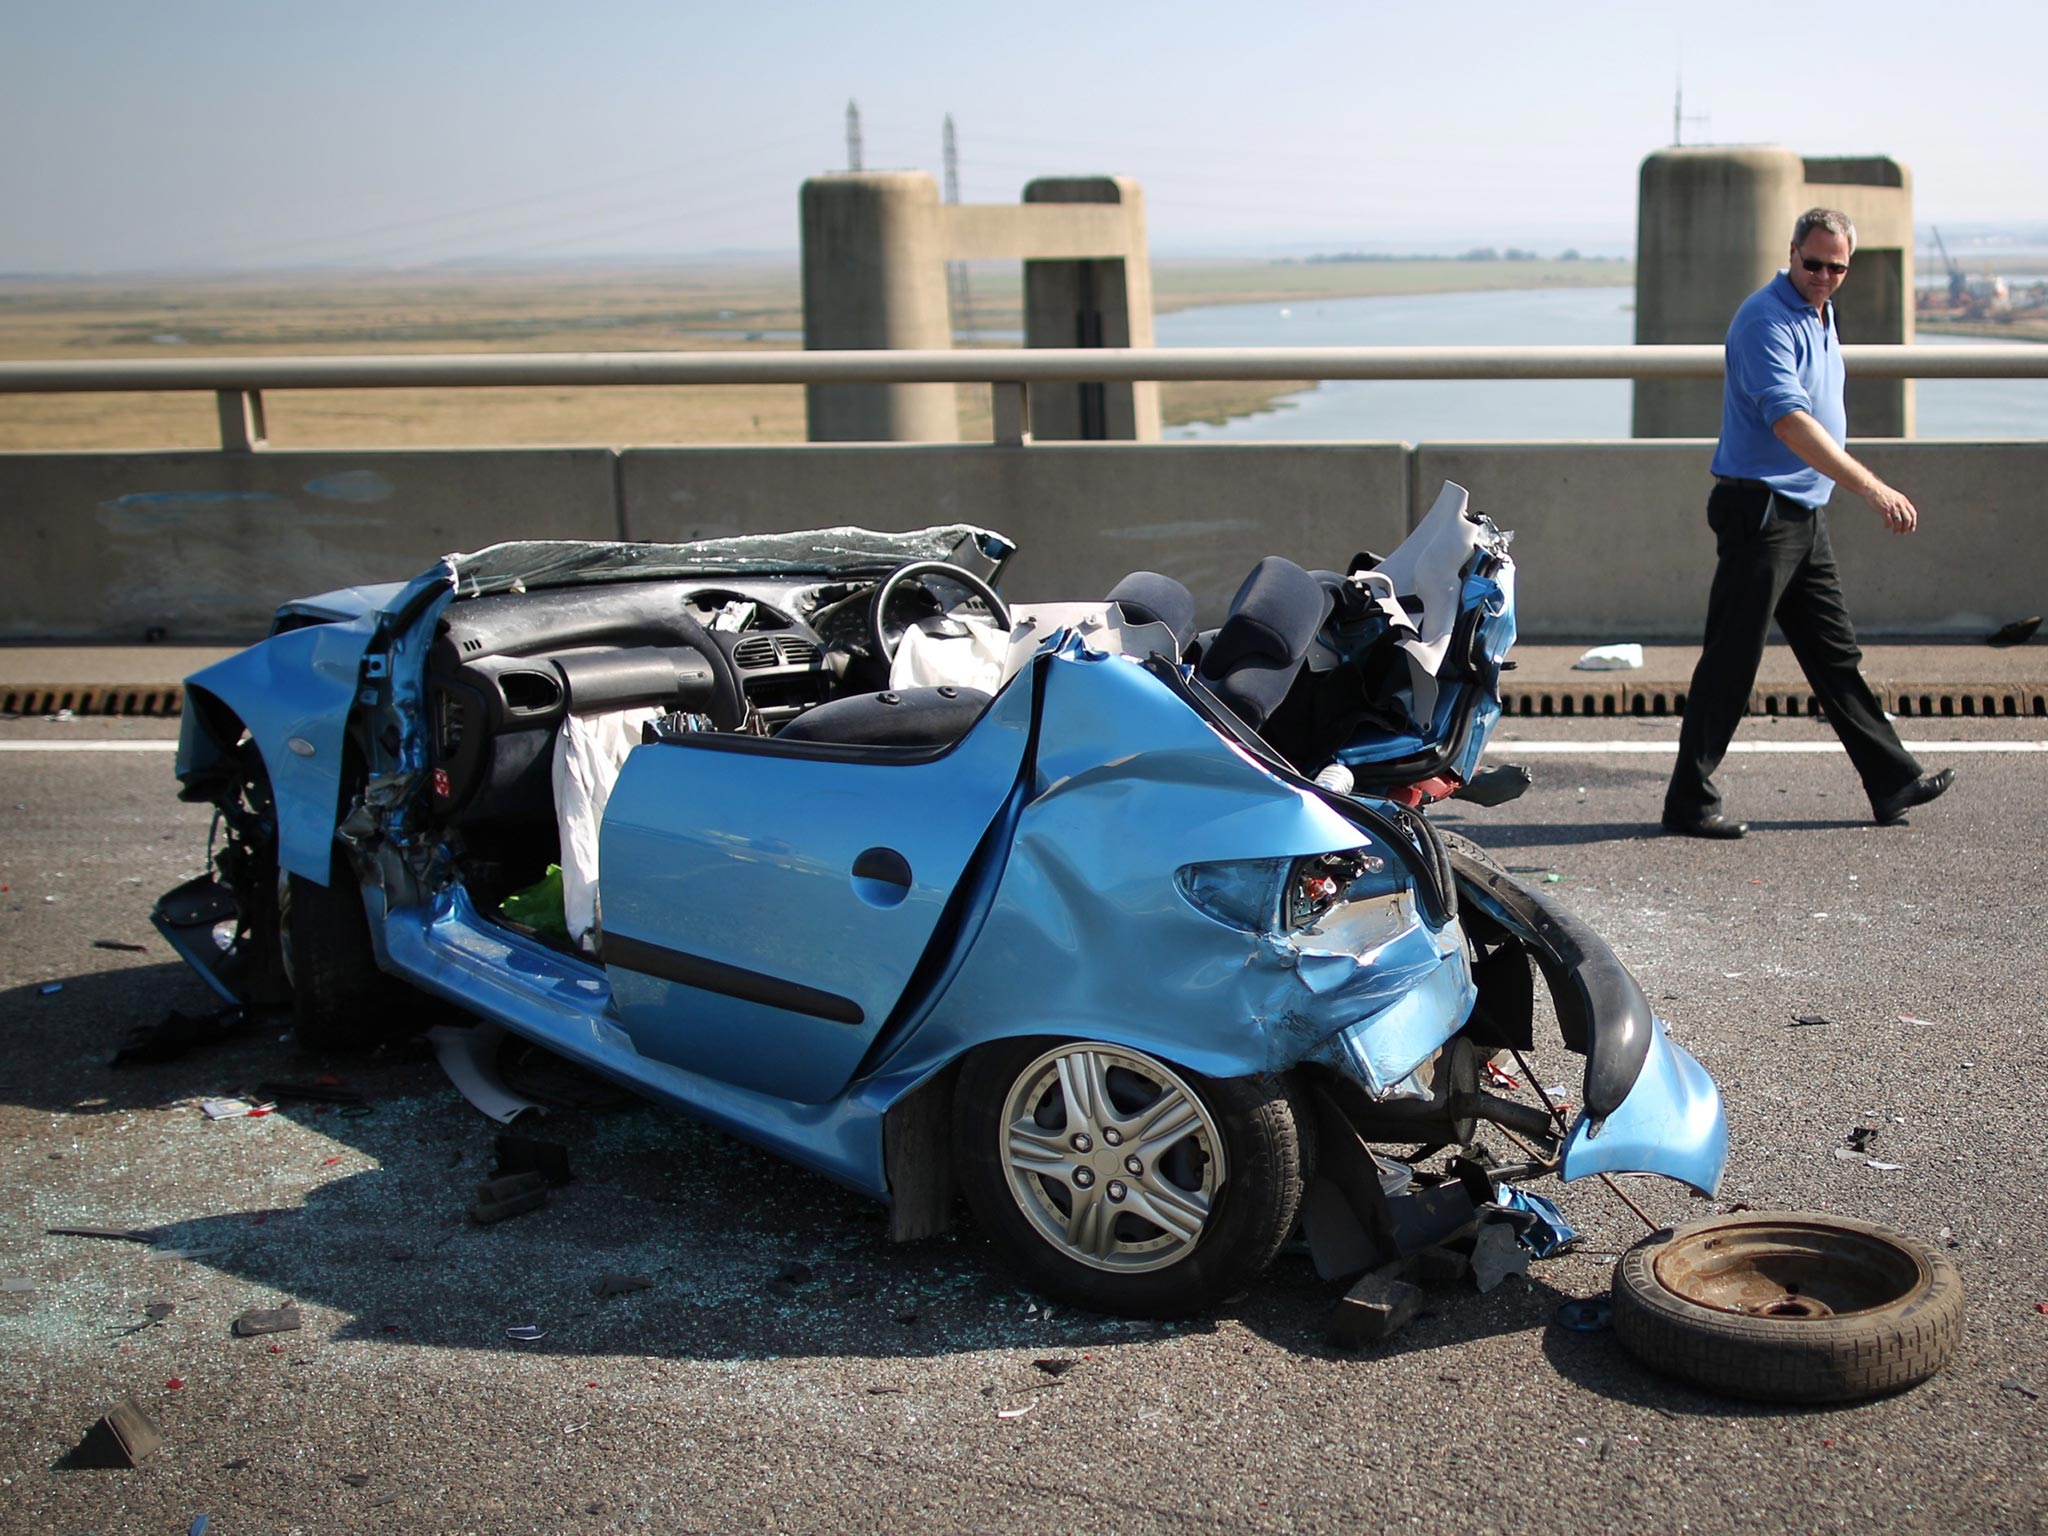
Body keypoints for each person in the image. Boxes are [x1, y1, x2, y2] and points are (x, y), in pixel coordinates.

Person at [1661, 207, 1953, 839]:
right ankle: (1689, 801)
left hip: (1802, 510)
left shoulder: (1820, 311)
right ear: (1791, 251)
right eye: (1812, 262)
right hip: (1760, 511)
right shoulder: (1766, 318)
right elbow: (1790, 422)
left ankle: (1891, 778)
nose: (1822, 276)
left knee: (1835, 657)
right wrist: (1872, 488)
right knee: (1732, 664)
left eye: (1836, 267)